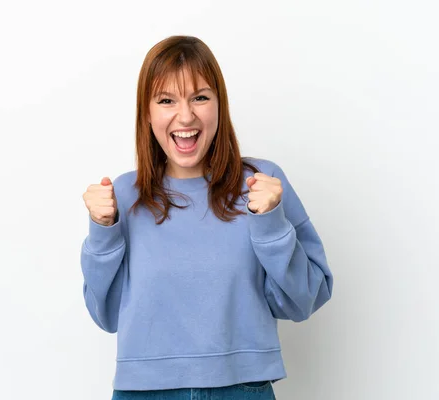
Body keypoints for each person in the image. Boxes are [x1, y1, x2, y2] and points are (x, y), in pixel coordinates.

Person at [80, 35, 334, 400]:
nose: (186, 116)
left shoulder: (261, 183)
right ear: (147, 112)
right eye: (166, 100)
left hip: (242, 389)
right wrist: (102, 232)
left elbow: (303, 300)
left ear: (219, 104)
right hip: (145, 392)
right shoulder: (124, 195)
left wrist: (272, 225)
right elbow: (105, 316)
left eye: (200, 97)